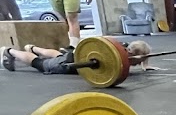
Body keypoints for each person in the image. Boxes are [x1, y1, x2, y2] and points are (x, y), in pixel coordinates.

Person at [1, 39, 153, 74]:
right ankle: (9, 51)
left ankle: (32, 48)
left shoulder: (124, 46)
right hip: (74, 61)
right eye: (137, 62)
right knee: (40, 64)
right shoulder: (116, 52)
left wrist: (145, 65)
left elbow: (142, 54)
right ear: (131, 53)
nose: (135, 65)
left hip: (75, 54)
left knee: (58, 55)